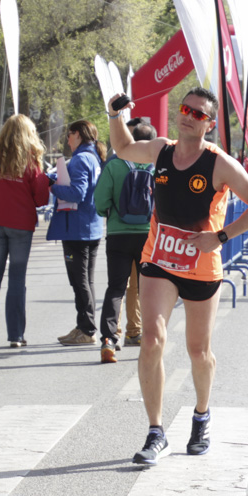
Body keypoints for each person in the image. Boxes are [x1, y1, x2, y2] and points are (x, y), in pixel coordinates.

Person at [107, 88, 248, 465]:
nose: (188, 116)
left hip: (200, 266)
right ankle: (155, 431)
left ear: (209, 124)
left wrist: (220, 237)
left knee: (198, 351)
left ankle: (201, 415)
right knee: (151, 339)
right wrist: (115, 116)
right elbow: (124, 149)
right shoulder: (161, 150)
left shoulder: (219, 163)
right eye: (184, 109)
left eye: (198, 114)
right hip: (160, 259)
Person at [0, 114, 50, 348]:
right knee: (17, 278)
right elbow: (40, 198)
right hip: (20, 224)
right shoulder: (31, 160)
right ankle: (15, 335)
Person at [94, 119, 156, 363]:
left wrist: (109, 214)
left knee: (116, 287)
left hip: (118, 235)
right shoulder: (159, 167)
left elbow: (100, 200)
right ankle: (149, 337)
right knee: (148, 290)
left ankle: (109, 339)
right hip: (148, 236)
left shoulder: (115, 165)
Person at [48, 120, 105, 346]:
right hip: (89, 226)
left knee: (79, 280)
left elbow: (77, 193)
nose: (67, 140)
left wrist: (51, 185)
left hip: (77, 229)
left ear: (79, 135)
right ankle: (84, 325)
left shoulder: (81, 159)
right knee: (85, 280)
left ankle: (86, 329)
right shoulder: (93, 157)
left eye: (69, 135)